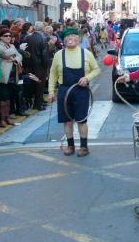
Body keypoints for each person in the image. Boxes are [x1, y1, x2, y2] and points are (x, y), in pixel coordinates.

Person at [48, 28, 101, 157]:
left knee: (81, 120)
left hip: (81, 91)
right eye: (67, 36)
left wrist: (87, 78)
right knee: (67, 121)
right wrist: (50, 91)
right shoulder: (59, 55)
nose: (70, 38)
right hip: (64, 90)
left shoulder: (86, 53)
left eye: (73, 36)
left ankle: (84, 147)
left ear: (78, 39)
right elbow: (53, 74)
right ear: (64, 40)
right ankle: (70, 145)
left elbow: (96, 70)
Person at [0, 28, 24, 127]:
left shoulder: (11, 45)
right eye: (6, 36)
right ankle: (1, 119)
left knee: (8, 98)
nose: (8, 37)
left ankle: (7, 117)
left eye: (10, 36)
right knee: (2, 97)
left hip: (13, 75)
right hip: (3, 75)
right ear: (0, 37)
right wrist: (14, 52)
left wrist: (14, 58)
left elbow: (20, 56)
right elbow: (5, 53)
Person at [25, 21, 48, 111]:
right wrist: (46, 66)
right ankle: (38, 104)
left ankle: (32, 102)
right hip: (39, 66)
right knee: (39, 85)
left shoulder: (27, 37)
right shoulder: (43, 39)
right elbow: (44, 55)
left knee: (32, 84)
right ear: (42, 29)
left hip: (29, 65)